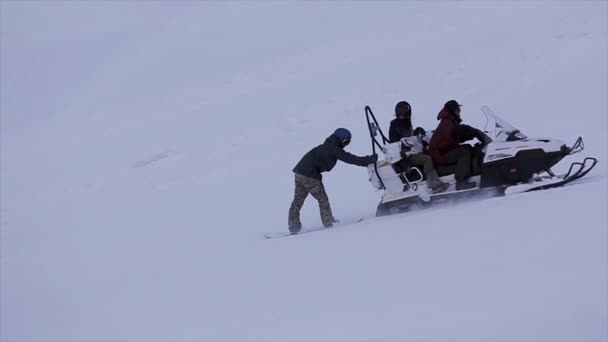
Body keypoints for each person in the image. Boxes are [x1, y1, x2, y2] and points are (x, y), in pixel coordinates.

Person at [288, 128, 377, 233]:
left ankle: (294, 225)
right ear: (342, 140)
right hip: (309, 175)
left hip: (299, 172)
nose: (347, 144)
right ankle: (328, 223)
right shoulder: (333, 149)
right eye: (347, 141)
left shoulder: (328, 145)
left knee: (298, 200)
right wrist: (368, 160)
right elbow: (349, 158)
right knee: (322, 199)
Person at [428, 100, 492, 190]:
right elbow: (455, 132)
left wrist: (470, 135)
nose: (459, 112)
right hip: (439, 155)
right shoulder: (447, 123)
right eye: (458, 110)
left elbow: (454, 137)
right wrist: (472, 131)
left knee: (468, 147)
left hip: (443, 152)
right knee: (464, 151)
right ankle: (461, 182)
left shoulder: (450, 121)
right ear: (452, 111)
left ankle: (476, 172)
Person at [388, 101, 448, 193]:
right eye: (400, 111)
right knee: (426, 159)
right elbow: (396, 142)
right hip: (406, 155)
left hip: (413, 150)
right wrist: (408, 142)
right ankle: (434, 183)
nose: (402, 114)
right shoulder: (395, 125)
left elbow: (410, 135)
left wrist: (418, 132)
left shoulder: (406, 122)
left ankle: (442, 175)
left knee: (432, 152)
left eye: (404, 111)